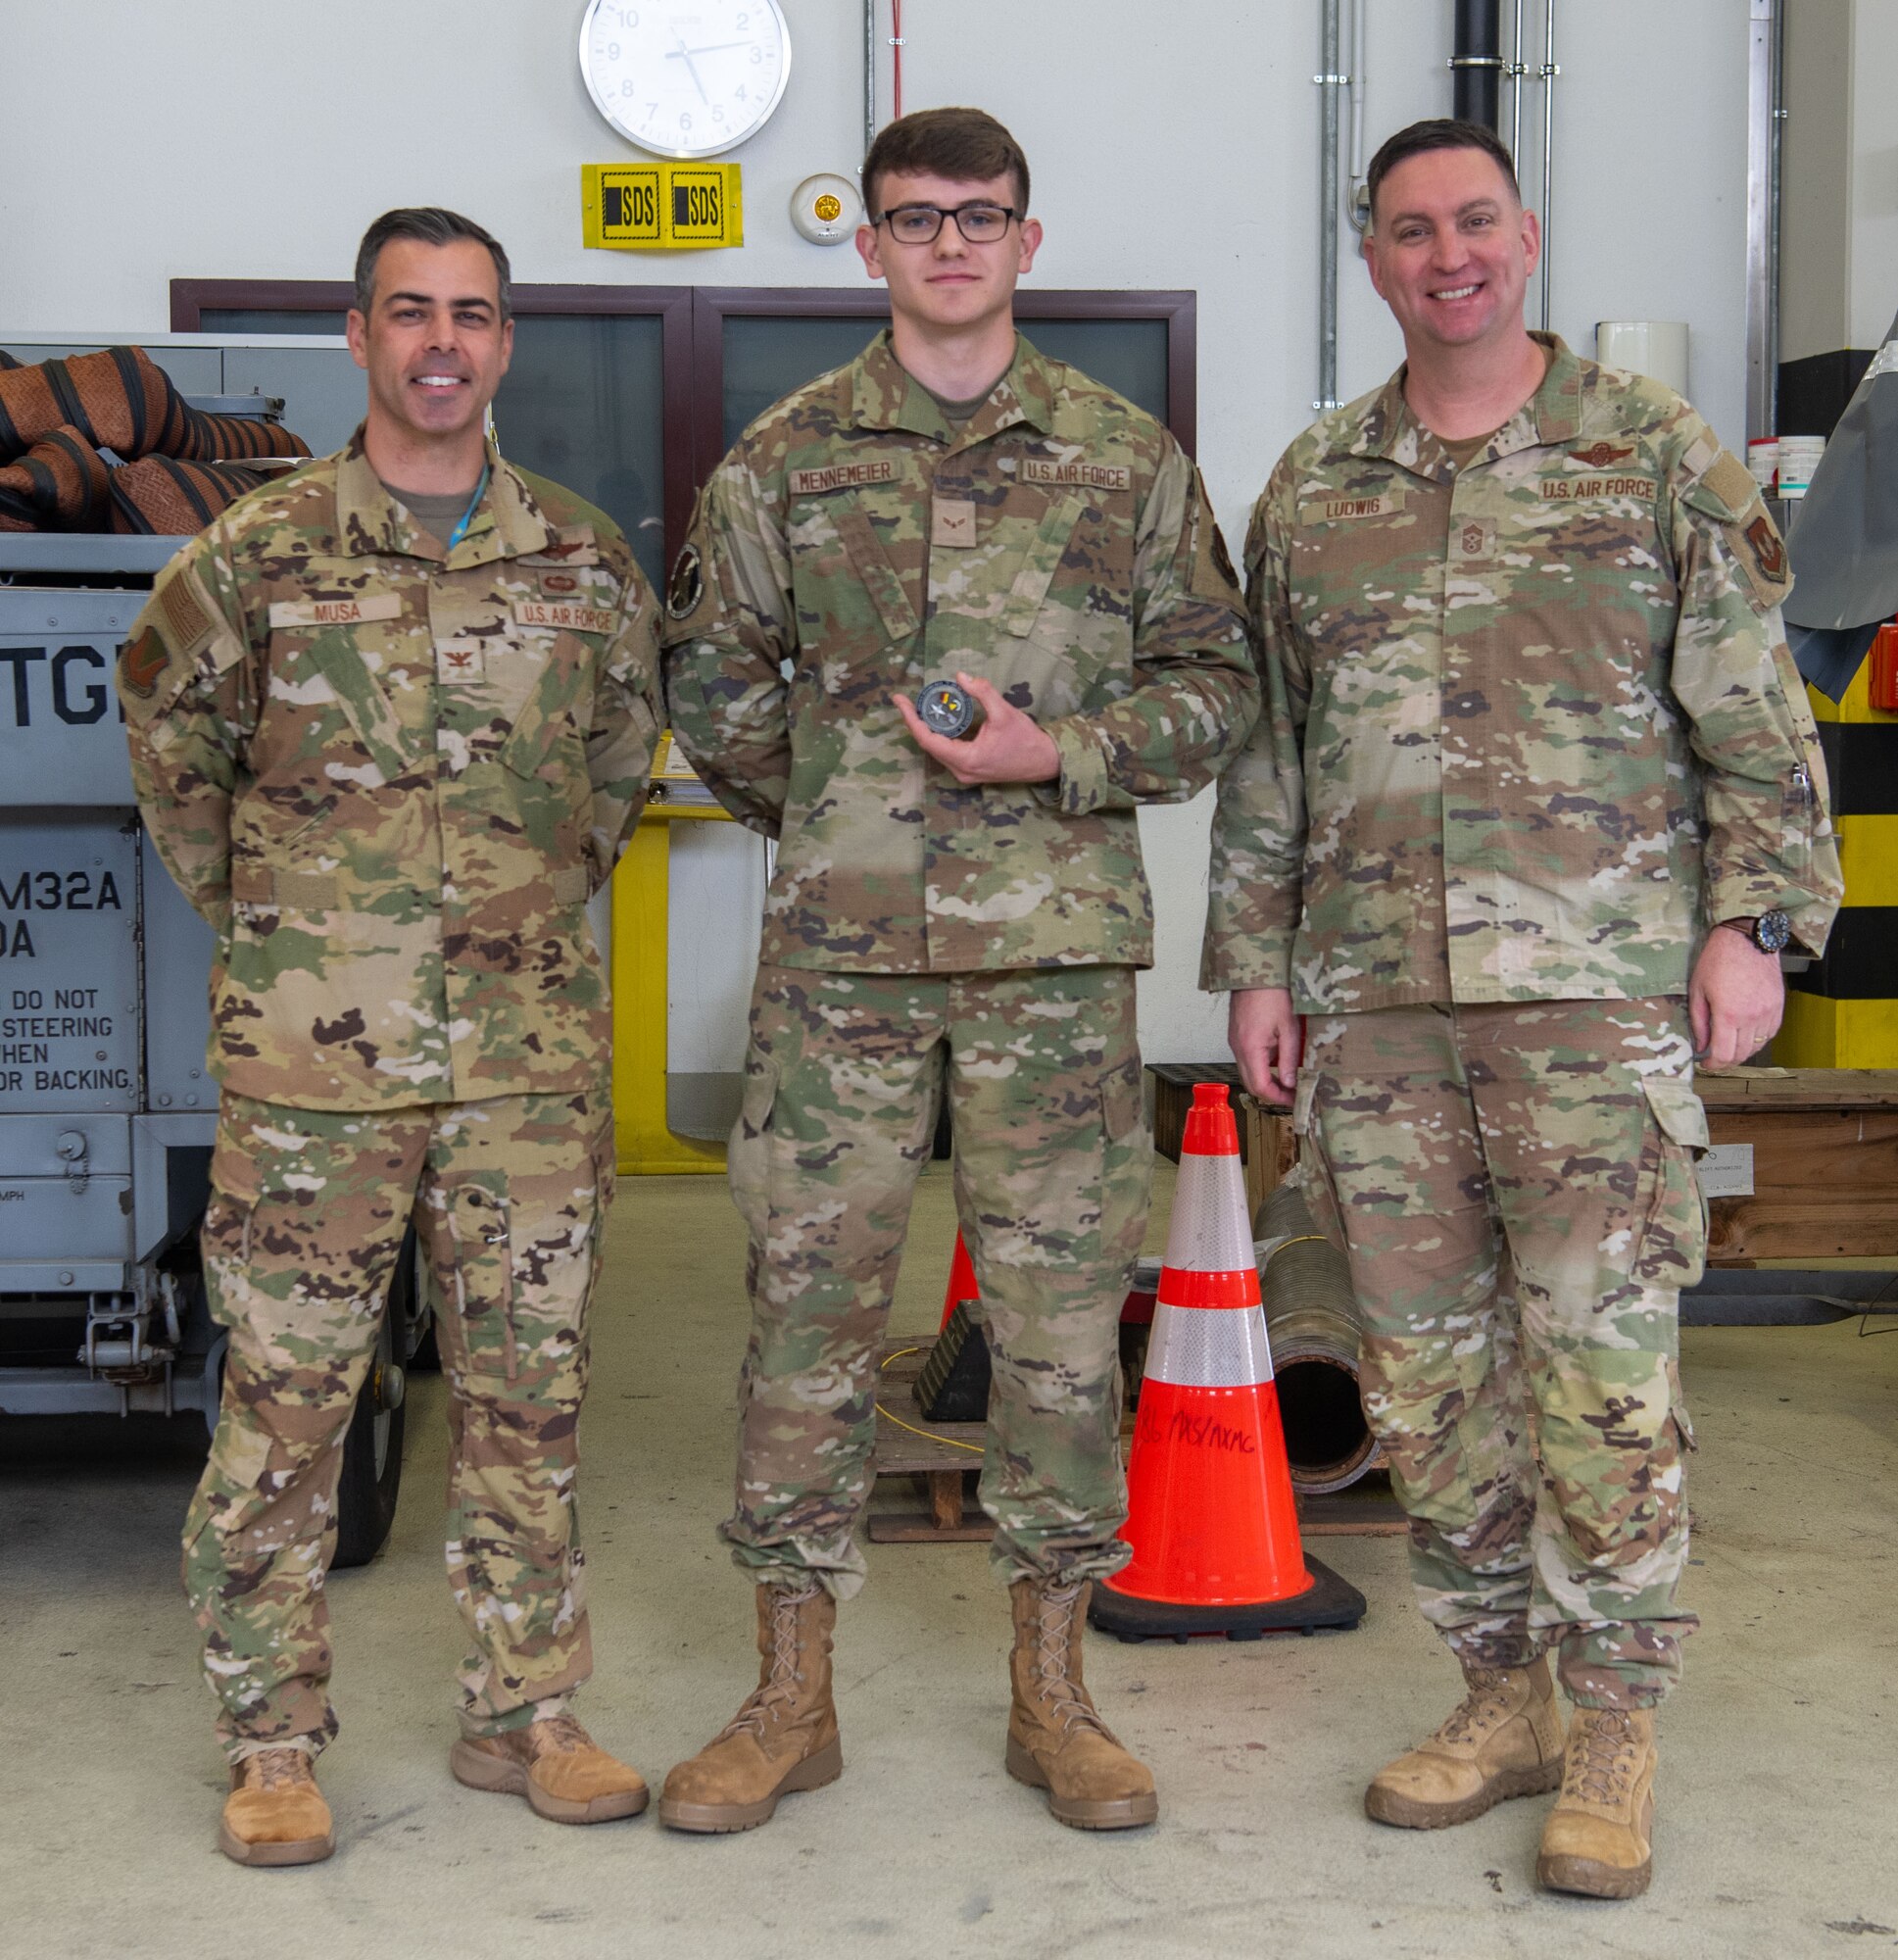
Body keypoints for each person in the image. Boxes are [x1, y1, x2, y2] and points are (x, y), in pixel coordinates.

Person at [1204, 119, 1841, 1900]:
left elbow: (1752, 717)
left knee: (1604, 1370)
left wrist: (1755, 931)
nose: (1446, 253)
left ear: (1524, 233)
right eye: (1408, 230)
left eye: (1473, 220)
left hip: (1596, 996)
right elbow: (1271, 753)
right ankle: (1497, 1696)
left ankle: (1617, 1715)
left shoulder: (1649, 457)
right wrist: (1257, 962)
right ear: (1374, 259)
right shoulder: (1316, 486)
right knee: (1422, 1379)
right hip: (1379, 1008)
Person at [659, 107, 1257, 1835]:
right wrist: (849, 818)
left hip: (1051, 966)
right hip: (840, 973)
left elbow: (1211, 688)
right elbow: (718, 690)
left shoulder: (1122, 459)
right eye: (913, 218)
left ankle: (1054, 1696)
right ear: (869, 246)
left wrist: (1052, 759)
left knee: (1064, 1335)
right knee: (805, 1321)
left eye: (977, 216)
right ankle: (787, 1699)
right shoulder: (781, 459)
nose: (946, 244)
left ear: (1026, 238)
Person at [118, 207, 662, 1866]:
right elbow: (170, 749)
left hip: (524, 1061)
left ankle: (525, 1714)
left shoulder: (579, 559)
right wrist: (291, 927)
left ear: (506, 344)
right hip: (311, 1077)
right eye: (411, 312)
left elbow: (614, 772)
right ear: (358, 336)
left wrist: (507, 916)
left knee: (528, 1398)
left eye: (475, 315)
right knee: (286, 1405)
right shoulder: (254, 554)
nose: (444, 342)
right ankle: (270, 1738)